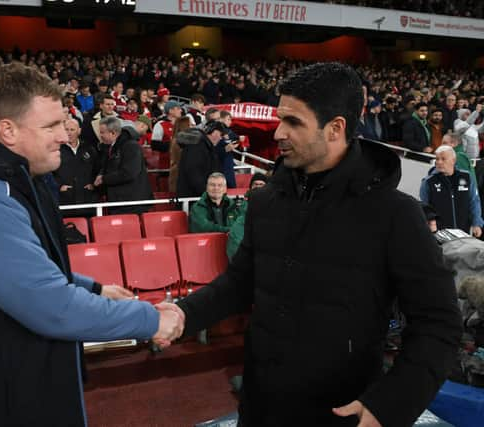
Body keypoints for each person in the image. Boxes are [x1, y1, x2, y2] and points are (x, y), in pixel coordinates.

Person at [160, 62, 462, 427]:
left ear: (336, 128)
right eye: (280, 119)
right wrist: (185, 313)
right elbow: (240, 283)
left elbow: (439, 324)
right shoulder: (265, 202)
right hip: (260, 408)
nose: (278, 134)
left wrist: (390, 404)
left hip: (339, 414)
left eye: (294, 122)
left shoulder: (395, 215)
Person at [0, 63, 182, 427]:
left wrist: (95, 287)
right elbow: (51, 306)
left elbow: (28, 268)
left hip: (18, 388)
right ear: (7, 130)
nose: (64, 135)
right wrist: (149, 319)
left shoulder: (18, 181)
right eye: (51, 126)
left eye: (64, 122)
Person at [420, 145, 484, 236]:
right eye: (437, 159)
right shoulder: (428, 182)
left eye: (443, 159)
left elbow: (474, 201)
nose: (439, 162)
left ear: (453, 161)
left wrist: (476, 223)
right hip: (439, 234)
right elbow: (424, 207)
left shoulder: (466, 177)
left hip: (463, 232)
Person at [95, 116, 153, 214]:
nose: (100, 135)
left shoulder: (130, 146)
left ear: (113, 133)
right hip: (120, 201)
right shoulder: (112, 147)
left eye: (102, 132)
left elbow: (129, 173)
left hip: (132, 203)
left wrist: (104, 179)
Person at [54, 118, 100, 212]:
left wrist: (93, 184)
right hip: (65, 200)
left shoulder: (89, 148)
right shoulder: (56, 149)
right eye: (66, 130)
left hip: (88, 199)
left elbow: (98, 169)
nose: (69, 133)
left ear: (79, 131)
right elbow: (49, 173)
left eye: (72, 130)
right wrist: (59, 186)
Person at [176, 120, 226, 197]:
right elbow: (193, 173)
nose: (220, 138)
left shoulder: (204, 146)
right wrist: (206, 193)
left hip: (197, 196)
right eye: (221, 135)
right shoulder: (197, 146)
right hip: (193, 197)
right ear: (214, 132)